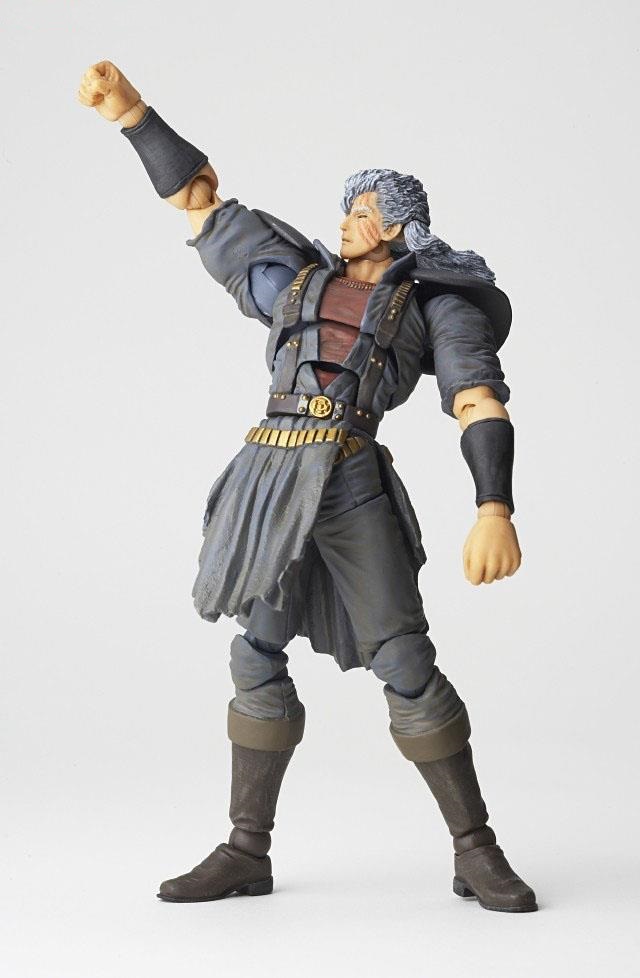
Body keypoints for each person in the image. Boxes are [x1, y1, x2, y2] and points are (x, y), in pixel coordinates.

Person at [78, 61, 537, 913]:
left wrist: (494, 506)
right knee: (255, 652)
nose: (346, 223)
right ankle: (245, 850)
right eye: (347, 210)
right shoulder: (294, 275)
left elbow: (476, 397)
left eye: (362, 213)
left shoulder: (437, 303)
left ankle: (477, 851)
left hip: (350, 478)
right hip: (272, 476)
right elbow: (200, 201)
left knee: (405, 662)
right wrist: (134, 116)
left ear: (396, 229)